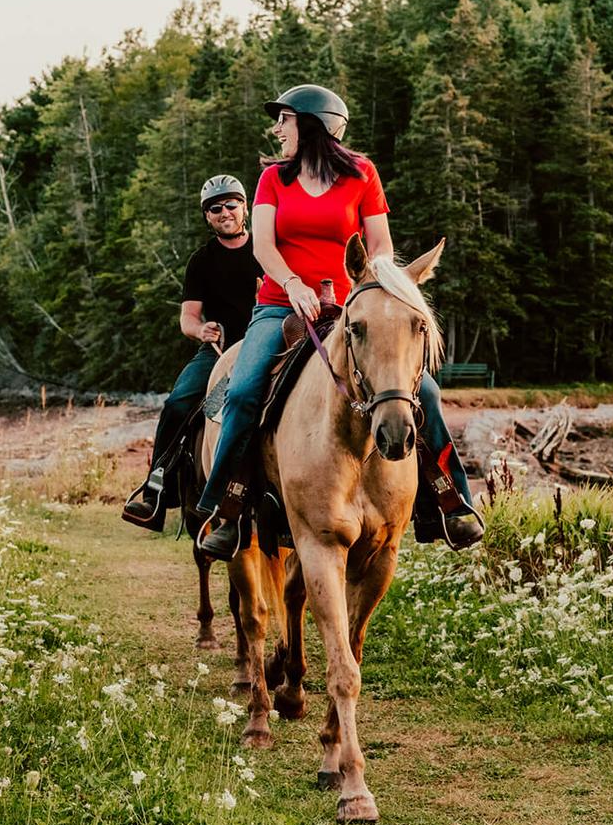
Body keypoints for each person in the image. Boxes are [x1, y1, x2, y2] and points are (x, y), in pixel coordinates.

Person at [192, 84, 483, 561]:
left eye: (284, 120)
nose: (277, 128)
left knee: (423, 392)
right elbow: (263, 244)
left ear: (312, 124)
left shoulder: (362, 175)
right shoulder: (273, 180)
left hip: (352, 310)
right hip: (280, 305)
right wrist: (291, 284)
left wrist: (374, 287)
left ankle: (450, 503)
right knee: (243, 392)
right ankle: (226, 508)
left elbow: (382, 246)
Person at [120, 174, 262, 528]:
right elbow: (188, 317)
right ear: (207, 217)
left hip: (267, 346)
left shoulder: (265, 250)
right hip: (219, 351)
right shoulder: (201, 261)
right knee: (180, 402)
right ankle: (158, 488)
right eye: (216, 208)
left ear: (245, 207)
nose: (225, 212)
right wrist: (201, 330)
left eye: (232, 204)